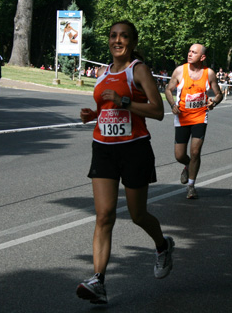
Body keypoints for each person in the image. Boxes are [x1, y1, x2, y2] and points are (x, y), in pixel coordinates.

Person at [76, 21, 174, 305]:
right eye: (113, 36)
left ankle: (162, 245)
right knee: (104, 215)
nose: (117, 40)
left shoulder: (138, 70)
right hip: (103, 148)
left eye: (124, 36)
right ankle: (98, 280)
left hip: (134, 149)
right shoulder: (102, 72)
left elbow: (157, 111)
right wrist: (92, 115)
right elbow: (106, 109)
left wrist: (125, 102)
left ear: (132, 42)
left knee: (137, 214)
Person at [165, 43, 223, 199]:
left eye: (194, 52)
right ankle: (188, 165)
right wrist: (172, 104)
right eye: (189, 51)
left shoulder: (209, 73)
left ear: (202, 57)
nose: (189, 54)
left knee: (195, 152)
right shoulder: (179, 71)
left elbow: (219, 94)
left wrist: (214, 102)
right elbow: (168, 89)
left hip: (199, 116)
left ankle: (191, 186)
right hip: (182, 117)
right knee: (179, 155)